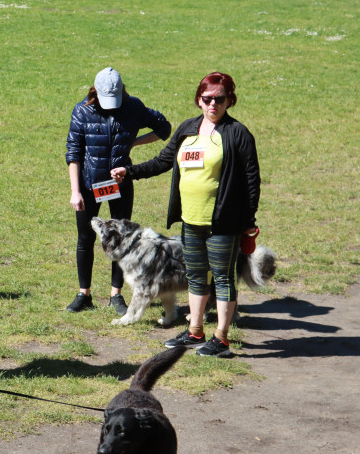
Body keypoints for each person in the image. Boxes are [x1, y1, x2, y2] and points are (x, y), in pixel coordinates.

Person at [110, 72, 260, 357]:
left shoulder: (237, 133)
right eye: (207, 99)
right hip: (190, 220)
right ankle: (195, 331)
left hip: (224, 223)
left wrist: (248, 222)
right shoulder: (188, 129)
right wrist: (129, 172)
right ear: (198, 100)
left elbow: (252, 180)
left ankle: (222, 338)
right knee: (194, 276)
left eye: (220, 99)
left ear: (230, 101)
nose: (213, 104)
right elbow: (163, 161)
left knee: (223, 278)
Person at [65, 67, 171, 315]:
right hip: (89, 185)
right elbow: (73, 153)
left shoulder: (133, 107)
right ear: (95, 91)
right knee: (85, 238)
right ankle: (84, 294)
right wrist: (75, 191)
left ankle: (116, 294)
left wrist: (134, 141)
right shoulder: (82, 111)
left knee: (121, 238)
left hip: (120, 184)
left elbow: (164, 129)